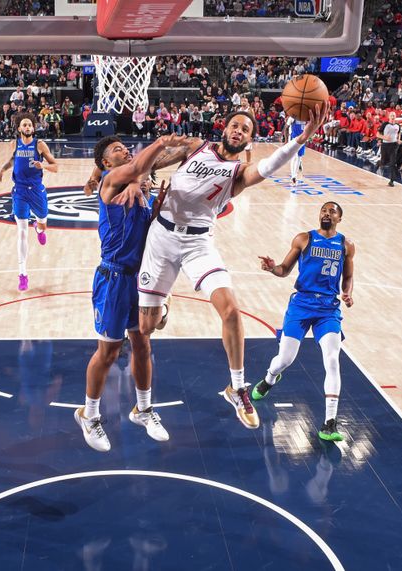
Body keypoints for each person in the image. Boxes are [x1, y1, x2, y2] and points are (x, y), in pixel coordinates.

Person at [134, 105, 331, 430]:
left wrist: (302, 137)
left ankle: (237, 388)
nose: (239, 131)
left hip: (198, 244)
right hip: (161, 238)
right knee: (146, 328)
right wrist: (140, 178)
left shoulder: (239, 172)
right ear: (224, 128)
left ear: (250, 140)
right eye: (235, 125)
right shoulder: (195, 146)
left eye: (246, 130)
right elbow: (153, 161)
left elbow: (268, 166)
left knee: (231, 311)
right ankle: (164, 303)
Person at [75, 134, 185, 452]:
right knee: (108, 353)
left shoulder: (142, 190)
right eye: (116, 149)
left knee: (142, 345)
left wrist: (157, 208)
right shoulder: (109, 182)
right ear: (106, 163)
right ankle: (89, 414)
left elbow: (147, 231)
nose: (124, 149)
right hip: (113, 278)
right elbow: (141, 164)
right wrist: (164, 142)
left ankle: (144, 410)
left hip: (140, 279)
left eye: (125, 146)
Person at [251, 202, 355, 441]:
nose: (326, 213)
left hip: (328, 309)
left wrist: (348, 292)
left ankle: (329, 423)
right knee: (284, 361)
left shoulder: (346, 245)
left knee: (332, 359)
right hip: (301, 305)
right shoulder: (303, 239)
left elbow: (348, 277)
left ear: (340, 218)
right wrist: (271, 268)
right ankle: (269, 379)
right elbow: (284, 270)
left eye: (332, 211)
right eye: (323, 210)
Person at [0, 114, 59, 291]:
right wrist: (2, 170)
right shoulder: (14, 143)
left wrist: (43, 166)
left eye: (30, 125)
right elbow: (13, 160)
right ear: (19, 128)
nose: (28, 127)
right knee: (22, 232)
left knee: (43, 222)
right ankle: (23, 274)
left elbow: (56, 166)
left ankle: (39, 229)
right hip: (20, 191)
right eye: (25, 125)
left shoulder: (39, 145)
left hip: (37, 190)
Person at [378, 112, 401, 186]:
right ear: (389, 116)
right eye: (391, 115)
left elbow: (399, 133)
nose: (393, 117)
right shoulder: (385, 124)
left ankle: (392, 181)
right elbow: (377, 134)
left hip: (394, 145)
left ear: (395, 117)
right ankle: (380, 163)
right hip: (385, 145)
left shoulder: (398, 125)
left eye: (394, 115)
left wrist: (398, 139)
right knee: (384, 162)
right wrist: (384, 137)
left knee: (392, 163)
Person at [285, 115, 307, 184]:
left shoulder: (305, 117)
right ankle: (293, 176)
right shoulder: (292, 117)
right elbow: (286, 128)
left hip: (302, 139)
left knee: (299, 157)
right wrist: (285, 140)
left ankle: (296, 171)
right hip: (293, 139)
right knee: (294, 157)